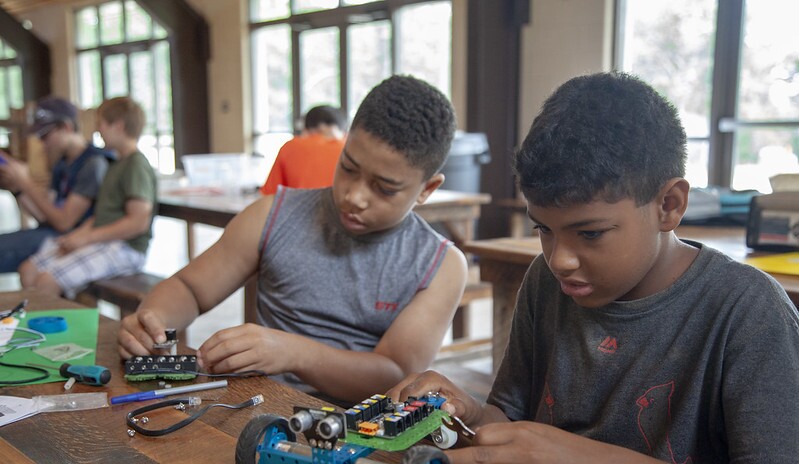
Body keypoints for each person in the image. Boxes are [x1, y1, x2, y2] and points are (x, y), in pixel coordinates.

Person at [388, 72, 799, 464]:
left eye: (590, 233)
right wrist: (469, 414)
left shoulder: (746, 311)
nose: (560, 259)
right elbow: (508, 419)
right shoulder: (548, 283)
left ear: (669, 205)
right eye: (543, 228)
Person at [118, 75, 467, 405]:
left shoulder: (438, 266)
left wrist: (293, 352)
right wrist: (153, 320)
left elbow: (395, 373)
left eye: (384, 188)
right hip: (258, 410)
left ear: (427, 189)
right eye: (347, 167)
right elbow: (190, 288)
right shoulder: (273, 215)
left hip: (360, 428)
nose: (354, 196)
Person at [19, 96, 158, 298]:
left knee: (47, 281)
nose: (96, 130)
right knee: (29, 269)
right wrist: (78, 236)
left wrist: (88, 238)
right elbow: (103, 214)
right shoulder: (115, 163)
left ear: (118, 126)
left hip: (126, 249)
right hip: (104, 242)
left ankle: (49, 326)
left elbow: (138, 222)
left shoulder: (136, 165)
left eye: (100, 124)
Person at [0, 96, 113, 272]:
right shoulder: (61, 164)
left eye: (45, 135)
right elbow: (44, 216)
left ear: (66, 127)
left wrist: (27, 182)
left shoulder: (93, 164)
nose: (41, 143)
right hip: (49, 233)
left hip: (72, 238)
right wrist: (18, 189)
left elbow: (64, 223)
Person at [259, 105, 347, 196]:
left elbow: (270, 194)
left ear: (306, 129)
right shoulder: (347, 150)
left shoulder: (289, 147)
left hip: (296, 208)